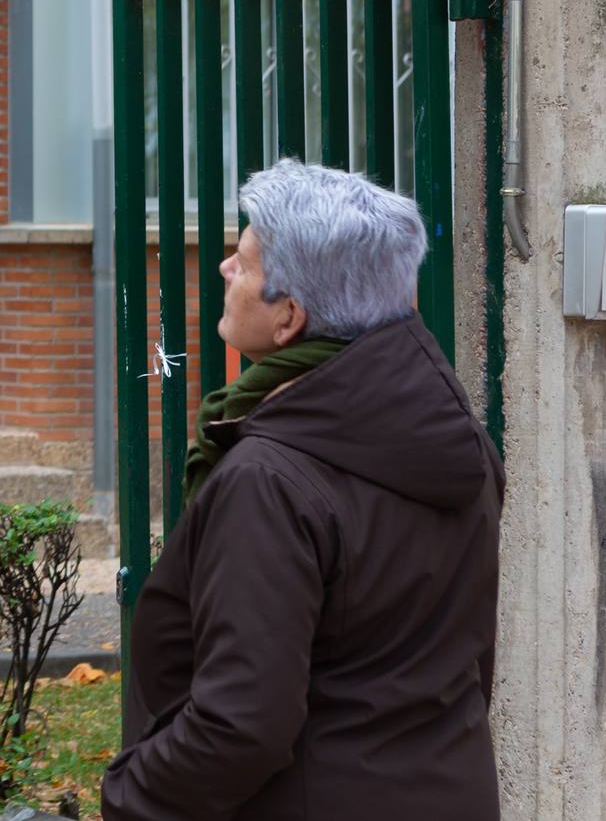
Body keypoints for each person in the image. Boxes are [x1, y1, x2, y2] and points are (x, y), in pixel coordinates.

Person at [101, 159, 504, 821]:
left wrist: (129, 795)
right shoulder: (454, 442)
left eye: (244, 259)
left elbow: (241, 724)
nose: (226, 269)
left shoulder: (269, 479)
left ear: (288, 316)